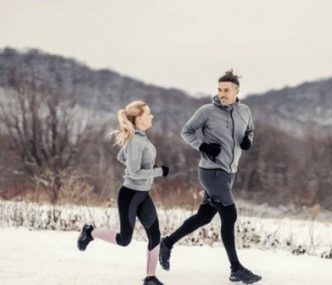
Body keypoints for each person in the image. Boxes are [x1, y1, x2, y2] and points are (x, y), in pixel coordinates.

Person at [159, 70, 262, 284]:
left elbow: (250, 130)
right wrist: (203, 146)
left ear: (236, 91)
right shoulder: (206, 111)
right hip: (211, 171)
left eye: (226, 90)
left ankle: (167, 243)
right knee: (229, 215)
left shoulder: (245, 111)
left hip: (229, 172)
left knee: (204, 216)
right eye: (219, 89)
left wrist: (247, 141)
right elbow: (186, 131)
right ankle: (236, 269)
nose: (222, 94)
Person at [77, 100, 169, 285]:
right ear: (139, 119)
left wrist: (139, 167)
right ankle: (90, 232)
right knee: (124, 240)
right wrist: (159, 171)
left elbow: (121, 157)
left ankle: (150, 278)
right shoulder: (136, 140)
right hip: (130, 195)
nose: (151, 116)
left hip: (143, 194)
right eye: (148, 114)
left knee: (155, 234)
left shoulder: (139, 137)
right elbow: (134, 172)